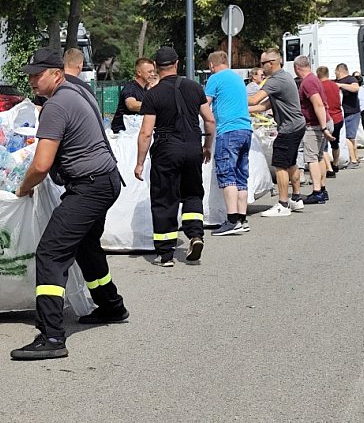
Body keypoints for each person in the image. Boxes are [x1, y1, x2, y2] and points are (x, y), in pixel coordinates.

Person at [11, 48, 127, 360]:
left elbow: (41, 164)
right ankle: (111, 307)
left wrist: (23, 189)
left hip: (90, 186)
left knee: (51, 252)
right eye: (30, 75)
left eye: (38, 74)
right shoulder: (77, 93)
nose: (32, 80)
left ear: (57, 73)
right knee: (86, 246)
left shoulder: (56, 105)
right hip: (106, 179)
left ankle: (51, 336)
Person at [135, 47, 216, 265]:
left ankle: (166, 254)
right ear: (177, 63)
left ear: (155, 66)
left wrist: (140, 163)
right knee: (192, 193)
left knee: (164, 199)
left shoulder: (153, 94)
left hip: (166, 150)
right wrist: (207, 145)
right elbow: (209, 120)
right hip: (192, 147)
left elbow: (145, 132)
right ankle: (196, 235)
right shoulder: (194, 87)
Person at [248, 49, 306, 217]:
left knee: (280, 164)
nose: (261, 67)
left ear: (271, 63)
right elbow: (264, 106)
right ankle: (296, 198)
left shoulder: (276, 80)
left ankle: (283, 203)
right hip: (297, 125)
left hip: (288, 128)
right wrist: (242, 109)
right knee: (291, 162)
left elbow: (254, 99)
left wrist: (231, 97)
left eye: (262, 64)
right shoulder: (284, 77)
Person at [204, 51, 253, 236]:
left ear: (211, 65)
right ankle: (242, 218)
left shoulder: (215, 79)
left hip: (228, 131)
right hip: (245, 130)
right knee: (241, 175)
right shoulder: (238, 79)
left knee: (227, 174)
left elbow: (204, 103)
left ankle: (231, 220)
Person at [294, 56, 335, 204]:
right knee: (318, 157)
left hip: (314, 125)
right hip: (323, 122)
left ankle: (317, 191)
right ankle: (322, 188)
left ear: (297, 68)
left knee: (311, 159)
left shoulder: (307, 83)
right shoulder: (314, 79)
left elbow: (318, 104)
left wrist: (323, 127)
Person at [110, 57, 157, 132]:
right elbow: (131, 105)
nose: (153, 74)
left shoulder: (145, 90)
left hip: (135, 132)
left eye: (153, 71)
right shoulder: (130, 87)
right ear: (139, 73)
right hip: (122, 133)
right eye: (149, 72)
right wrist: (153, 105)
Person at [334, 64, 361, 169]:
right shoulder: (335, 81)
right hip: (344, 112)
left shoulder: (350, 79)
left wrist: (340, 85)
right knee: (351, 137)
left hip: (352, 112)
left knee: (349, 137)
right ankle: (355, 158)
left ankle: (353, 160)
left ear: (339, 71)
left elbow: (355, 88)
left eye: (335, 72)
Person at [317, 66, 343, 176]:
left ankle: (329, 169)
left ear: (318, 75)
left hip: (328, 118)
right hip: (339, 117)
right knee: (335, 143)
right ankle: (335, 164)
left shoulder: (319, 86)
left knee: (323, 146)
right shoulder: (335, 85)